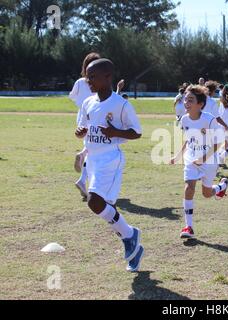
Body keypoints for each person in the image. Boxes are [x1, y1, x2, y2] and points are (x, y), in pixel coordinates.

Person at [76, 58, 144, 272]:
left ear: (108, 77)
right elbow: (83, 126)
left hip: (110, 159)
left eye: (93, 76)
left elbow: (137, 132)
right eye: (87, 76)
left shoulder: (121, 104)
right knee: (108, 208)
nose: (88, 81)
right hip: (92, 159)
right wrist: (80, 132)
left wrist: (116, 132)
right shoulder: (88, 102)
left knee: (94, 202)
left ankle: (130, 235)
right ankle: (133, 247)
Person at [170, 85, 228, 240]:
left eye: (190, 100)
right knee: (189, 187)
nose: (186, 103)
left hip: (209, 161)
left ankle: (221, 186)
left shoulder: (209, 120)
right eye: (185, 100)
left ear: (200, 104)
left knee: (207, 194)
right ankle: (188, 226)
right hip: (191, 159)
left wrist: (203, 158)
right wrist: (178, 156)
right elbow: (188, 140)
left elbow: (218, 143)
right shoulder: (184, 119)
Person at [69, 52, 101, 200]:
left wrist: (80, 104)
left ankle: (83, 178)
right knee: (95, 150)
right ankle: (83, 180)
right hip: (96, 117)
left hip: (81, 117)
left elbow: (71, 96)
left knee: (90, 147)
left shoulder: (80, 81)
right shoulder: (100, 81)